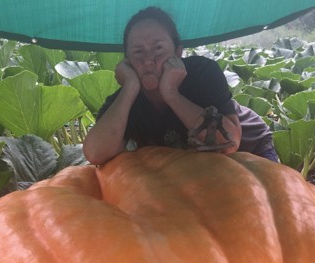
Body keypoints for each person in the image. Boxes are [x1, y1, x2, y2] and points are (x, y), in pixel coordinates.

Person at [83, 6, 278, 165]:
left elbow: (229, 143)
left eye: (158, 48)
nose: (148, 60)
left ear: (178, 51)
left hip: (250, 149)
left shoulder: (203, 72)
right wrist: (130, 88)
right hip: (202, 165)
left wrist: (171, 93)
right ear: (127, 61)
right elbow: (95, 153)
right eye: (138, 52)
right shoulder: (124, 100)